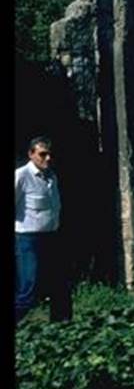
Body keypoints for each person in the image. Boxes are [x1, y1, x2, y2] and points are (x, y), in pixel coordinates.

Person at [14, 136, 70, 323]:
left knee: (59, 284)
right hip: (28, 238)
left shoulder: (51, 176)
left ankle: (62, 326)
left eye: (49, 155)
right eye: (42, 154)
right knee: (30, 287)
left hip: (52, 237)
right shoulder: (21, 176)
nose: (47, 158)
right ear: (31, 154)